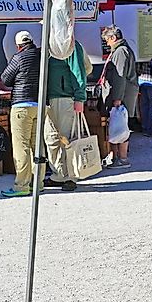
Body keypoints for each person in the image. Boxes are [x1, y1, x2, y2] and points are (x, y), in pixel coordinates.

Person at [42, 39, 89, 193]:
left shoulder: (71, 46)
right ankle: (58, 174)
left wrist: (79, 97)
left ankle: (71, 176)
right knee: (51, 139)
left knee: (67, 139)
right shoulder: (48, 46)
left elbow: (79, 71)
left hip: (65, 97)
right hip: (50, 99)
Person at [1, 31, 42, 197]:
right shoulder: (41, 56)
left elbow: (5, 79)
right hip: (39, 104)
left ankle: (21, 185)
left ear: (18, 46)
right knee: (37, 145)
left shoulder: (18, 58)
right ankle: (37, 183)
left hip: (22, 104)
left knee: (21, 146)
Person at [99, 27, 138, 169]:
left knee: (120, 126)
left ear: (113, 38)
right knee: (118, 126)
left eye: (107, 40)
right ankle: (117, 157)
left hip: (122, 95)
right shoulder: (121, 50)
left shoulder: (120, 52)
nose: (107, 43)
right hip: (123, 93)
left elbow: (120, 76)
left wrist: (117, 98)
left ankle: (122, 158)